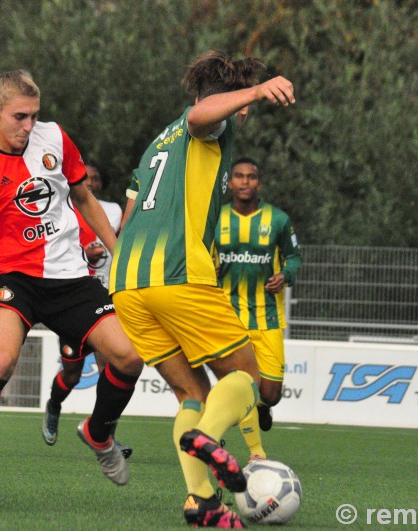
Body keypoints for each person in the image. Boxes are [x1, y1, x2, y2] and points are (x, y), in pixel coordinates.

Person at [0, 69, 143, 510]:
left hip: (69, 276)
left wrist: (118, 251)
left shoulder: (54, 137)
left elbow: (83, 197)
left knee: (129, 356)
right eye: (19, 117)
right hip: (13, 276)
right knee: (2, 360)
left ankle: (98, 434)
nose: (29, 127)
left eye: (34, 116)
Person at [109, 50, 295, 528]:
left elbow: (128, 218)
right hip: (177, 274)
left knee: (190, 393)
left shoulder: (156, 144)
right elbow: (200, 118)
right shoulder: (207, 125)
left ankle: (203, 504)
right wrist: (253, 91)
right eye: (241, 99)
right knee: (248, 378)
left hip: (127, 282)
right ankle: (209, 438)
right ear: (231, 100)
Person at [213, 157, 301, 462]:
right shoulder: (216, 219)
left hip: (267, 318)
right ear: (231, 182)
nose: (245, 182)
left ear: (258, 183)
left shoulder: (277, 220)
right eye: (239, 176)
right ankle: (249, 451)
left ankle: (264, 408)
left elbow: (294, 257)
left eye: (251, 177)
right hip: (228, 317)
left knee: (270, 394)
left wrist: (286, 275)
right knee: (240, 385)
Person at [42, 161, 132, 458]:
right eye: (85, 178)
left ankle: (105, 435)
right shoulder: (59, 209)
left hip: (105, 298)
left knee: (113, 368)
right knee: (72, 375)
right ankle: (54, 405)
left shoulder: (113, 211)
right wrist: (85, 254)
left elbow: (122, 244)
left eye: (94, 178)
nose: (89, 183)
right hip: (73, 300)